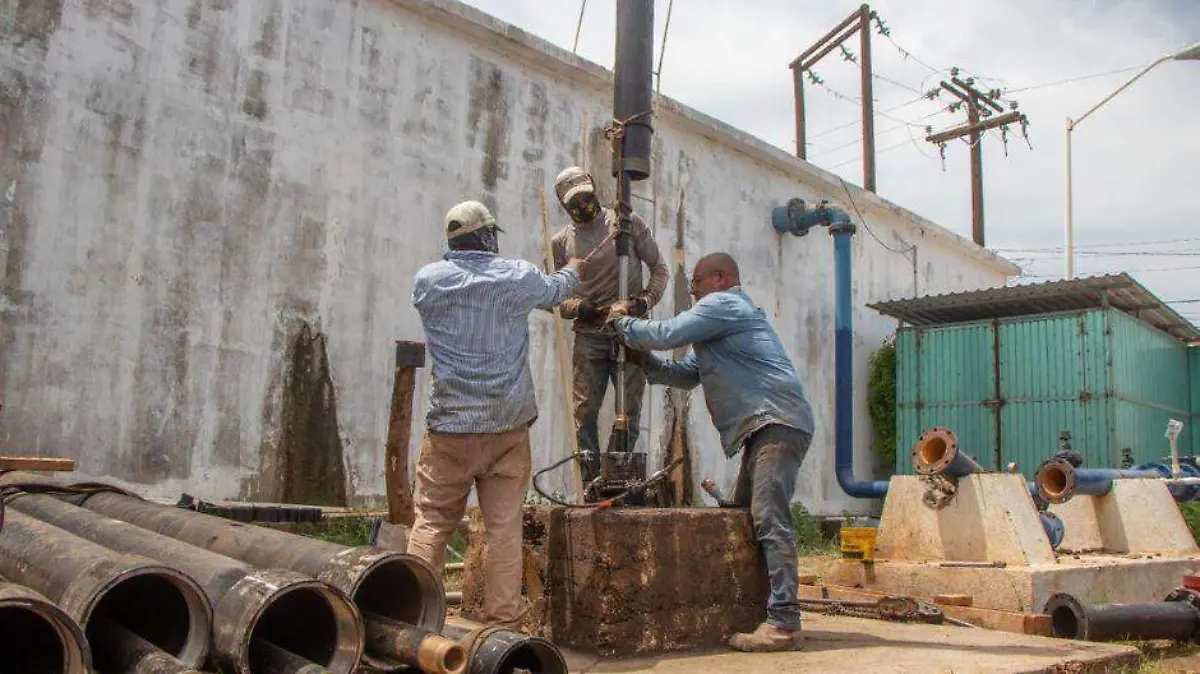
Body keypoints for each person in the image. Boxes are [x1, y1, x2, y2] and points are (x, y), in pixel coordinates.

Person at [608, 252, 814, 652]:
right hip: (768, 426)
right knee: (744, 517)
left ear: (720, 278)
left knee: (770, 519)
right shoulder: (720, 329)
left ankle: (784, 622)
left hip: (777, 422)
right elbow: (685, 375)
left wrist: (623, 323)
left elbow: (667, 333)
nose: (693, 291)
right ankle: (763, 608)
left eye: (696, 282)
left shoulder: (725, 304)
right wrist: (644, 361)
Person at [407, 200, 585, 628]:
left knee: (431, 522)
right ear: (488, 237)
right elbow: (556, 292)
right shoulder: (517, 277)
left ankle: (410, 615)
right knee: (504, 527)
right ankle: (502, 622)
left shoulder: (428, 282)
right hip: (507, 427)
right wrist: (573, 269)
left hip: (449, 427)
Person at [549, 166, 669, 464]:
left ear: (593, 189)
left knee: (629, 411)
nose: (582, 205)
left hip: (631, 331)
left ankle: (618, 473)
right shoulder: (561, 242)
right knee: (585, 411)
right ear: (564, 205)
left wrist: (644, 302)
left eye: (585, 197)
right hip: (589, 335)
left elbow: (660, 269)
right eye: (574, 202)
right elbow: (554, 297)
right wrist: (580, 308)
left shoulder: (625, 223)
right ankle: (590, 477)